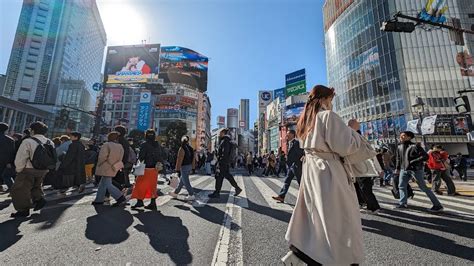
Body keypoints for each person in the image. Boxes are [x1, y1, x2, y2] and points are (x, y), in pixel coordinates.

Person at [282, 85, 372, 265]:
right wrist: (352, 129)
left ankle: (301, 254)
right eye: (331, 99)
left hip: (312, 171)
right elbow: (346, 146)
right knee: (339, 218)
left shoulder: (306, 122)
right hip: (329, 171)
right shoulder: (327, 116)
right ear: (324, 99)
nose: (331, 104)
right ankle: (341, 259)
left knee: (316, 215)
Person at [10, 122, 56, 217]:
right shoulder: (49, 142)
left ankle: (23, 210)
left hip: (28, 169)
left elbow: (21, 157)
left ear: (33, 130)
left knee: (19, 189)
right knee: (36, 185)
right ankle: (39, 199)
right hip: (43, 170)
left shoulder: (28, 141)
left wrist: (19, 169)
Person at [395, 132, 444, 211]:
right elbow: (398, 158)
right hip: (403, 169)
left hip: (415, 169)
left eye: (403, 136)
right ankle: (402, 203)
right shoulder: (399, 146)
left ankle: (438, 205)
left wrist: (413, 161)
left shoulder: (415, 146)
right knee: (401, 186)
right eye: (400, 136)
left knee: (423, 187)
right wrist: (397, 168)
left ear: (409, 137)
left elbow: (425, 156)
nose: (401, 137)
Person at [348, 119, 382, 214]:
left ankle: (374, 207)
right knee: (360, 189)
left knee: (365, 189)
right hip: (357, 170)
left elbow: (372, 155)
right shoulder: (356, 137)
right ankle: (365, 204)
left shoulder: (358, 138)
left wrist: (379, 169)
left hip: (363, 169)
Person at [131, 129, 166, 209]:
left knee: (139, 184)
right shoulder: (157, 145)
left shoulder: (144, 144)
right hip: (155, 169)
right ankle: (153, 203)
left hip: (146, 168)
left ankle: (140, 201)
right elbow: (163, 155)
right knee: (152, 186)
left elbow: (141, 157)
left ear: (146, 136)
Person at [91, 131, 126, 207]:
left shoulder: (106, 145)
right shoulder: (120, 146)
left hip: (106, 166)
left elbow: (102, 157)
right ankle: (99, 199)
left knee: (107, 184)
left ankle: (120, 197)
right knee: (103, 183)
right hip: (114, 166)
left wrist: (99, 164)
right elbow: (121, 157)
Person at [272, 129, 304, 203]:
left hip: (296, 166)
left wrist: (298, 162)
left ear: (293, 134)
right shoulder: (290, 143)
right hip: (292, 166)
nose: (286, 135)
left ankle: (305, 199)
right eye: (286, 134)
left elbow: (301, 153)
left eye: (288, 134)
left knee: (300, 183)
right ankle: (281, 196)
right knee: (287, 181)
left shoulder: (296, 143)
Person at [208, 128, 242, 198]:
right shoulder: (227, 140)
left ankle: (218, 192)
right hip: (225, 162)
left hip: (223, 162)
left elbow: (225, 152)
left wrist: (220, 161)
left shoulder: (225, 141)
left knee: (222, 176)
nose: (219, 134)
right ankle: (218, 192)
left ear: (223, 133)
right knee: (221, 176)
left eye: (220, 133)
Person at [170, 136, 196, 201]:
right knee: (182, 181)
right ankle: (176, 192)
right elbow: (193, 159)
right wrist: (193, 168)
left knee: (186, 181)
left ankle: (191, 194)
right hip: (189, 166)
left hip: (184, 166)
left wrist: (177, 169)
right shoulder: (191, 148)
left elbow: (179, 159)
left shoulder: (182, 148)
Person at [114, 125, 131, 190]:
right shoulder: (124, 140)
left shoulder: (119, 140)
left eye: (115, 131)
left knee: (111, 178)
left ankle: (120, 191)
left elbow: (121, 152)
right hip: (121, 162)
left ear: (119, 132)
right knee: (113, 178)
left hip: (117, 162)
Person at [0, 123, 16, 192]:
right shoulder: (11, 140)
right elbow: (12, 153)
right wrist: (10, 162)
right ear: (6, 130)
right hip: (5, 161)